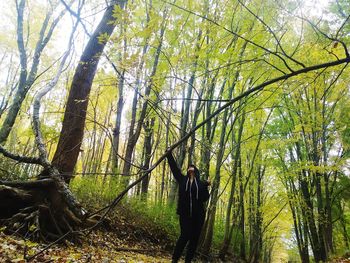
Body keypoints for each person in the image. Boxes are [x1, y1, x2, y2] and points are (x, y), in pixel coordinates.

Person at [166, 150, 210, 263]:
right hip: (185, 214)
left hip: (198, 216)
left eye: (192, 168)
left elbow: (205, 198)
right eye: (189, 168)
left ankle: (188, 261)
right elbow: (174, 169)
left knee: (194, 239)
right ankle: (175, 259)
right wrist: (169, 155)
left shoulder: (201, 184)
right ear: (187, 171)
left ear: (196, 171)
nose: (190, 169)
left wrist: (206, 187)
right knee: (184, 235)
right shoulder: (182, 180)